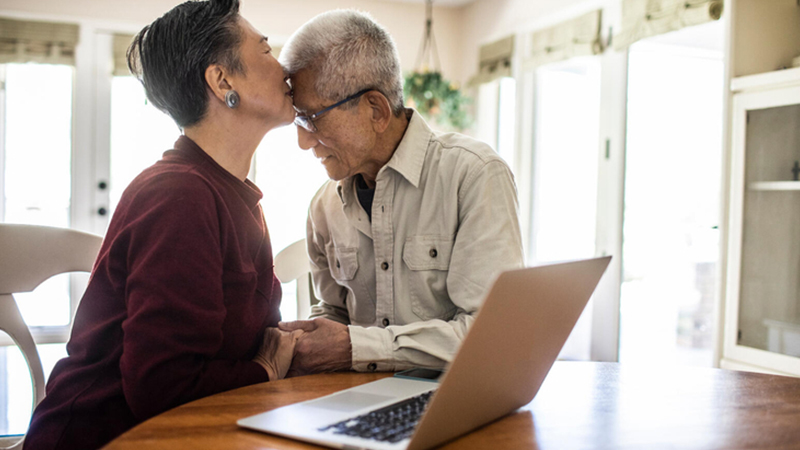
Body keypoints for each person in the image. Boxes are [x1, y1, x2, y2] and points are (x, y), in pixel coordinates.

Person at [23, 1, 301, 449]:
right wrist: (265, 371)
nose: (285, 67)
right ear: (222, 80)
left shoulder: (232, 194)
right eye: (266, 51)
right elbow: (162, 387)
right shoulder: (179, 196)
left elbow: (251, 340)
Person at [278, 10, 525, 375]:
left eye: (312, 118)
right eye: (297, 120)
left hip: (453, 406)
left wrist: (356, 348)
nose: (302, 141)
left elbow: (493, 335)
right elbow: (334, 314)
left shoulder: (474, 176)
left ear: (376, 109)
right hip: (355, 404)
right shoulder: (322, 208)